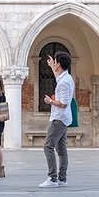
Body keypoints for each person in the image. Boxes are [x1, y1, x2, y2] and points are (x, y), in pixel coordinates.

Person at [39, 51, 75, 188]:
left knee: (48, 146)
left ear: (59, 63)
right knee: (61, 149)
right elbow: (59, 79)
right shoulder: (66, 78)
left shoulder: (64, 82)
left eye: (55, 62)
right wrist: (51, 68)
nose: (54, 63)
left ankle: (52, 178)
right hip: (63, 118)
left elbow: (64, 103)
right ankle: (62, 179)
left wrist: (50, 101)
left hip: (58, 119)